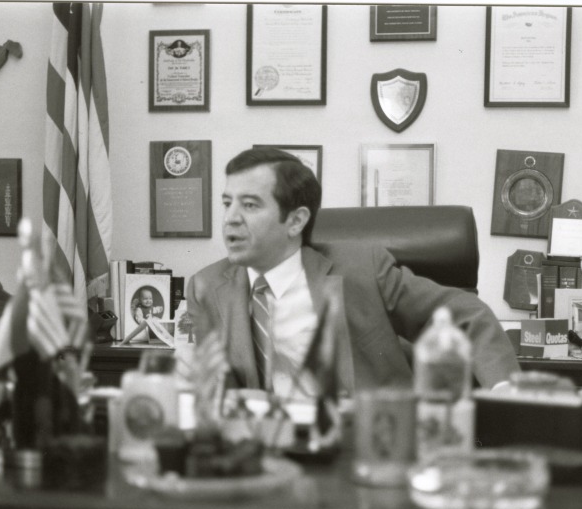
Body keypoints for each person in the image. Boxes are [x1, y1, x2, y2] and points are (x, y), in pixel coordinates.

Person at [185, 148, 520, 396]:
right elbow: (213, 387)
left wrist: (506, 392)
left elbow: (468, 318)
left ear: (296, 220)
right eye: (227, 202)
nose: (230, 217)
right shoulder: (207, 287)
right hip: (267, 458)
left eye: (250, 205)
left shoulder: (362, 270)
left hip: (369, 445)